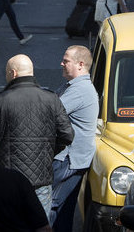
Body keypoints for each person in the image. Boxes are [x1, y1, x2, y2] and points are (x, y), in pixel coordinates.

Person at [0, 54, 74, 216]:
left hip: (7, 181)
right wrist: (49, 150)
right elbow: (67, 135)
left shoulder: (0, 100)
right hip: (41, 181)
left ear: (13, 73)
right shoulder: (51, 99)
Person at [50, 46, 99, 231]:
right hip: (72, 158)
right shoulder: (73, 86)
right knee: (63, 208)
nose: (61, 63)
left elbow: (51, 112)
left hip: (68, 160)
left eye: (66, 60)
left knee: (53, 206)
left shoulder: (80, 90)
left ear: (80, 64)